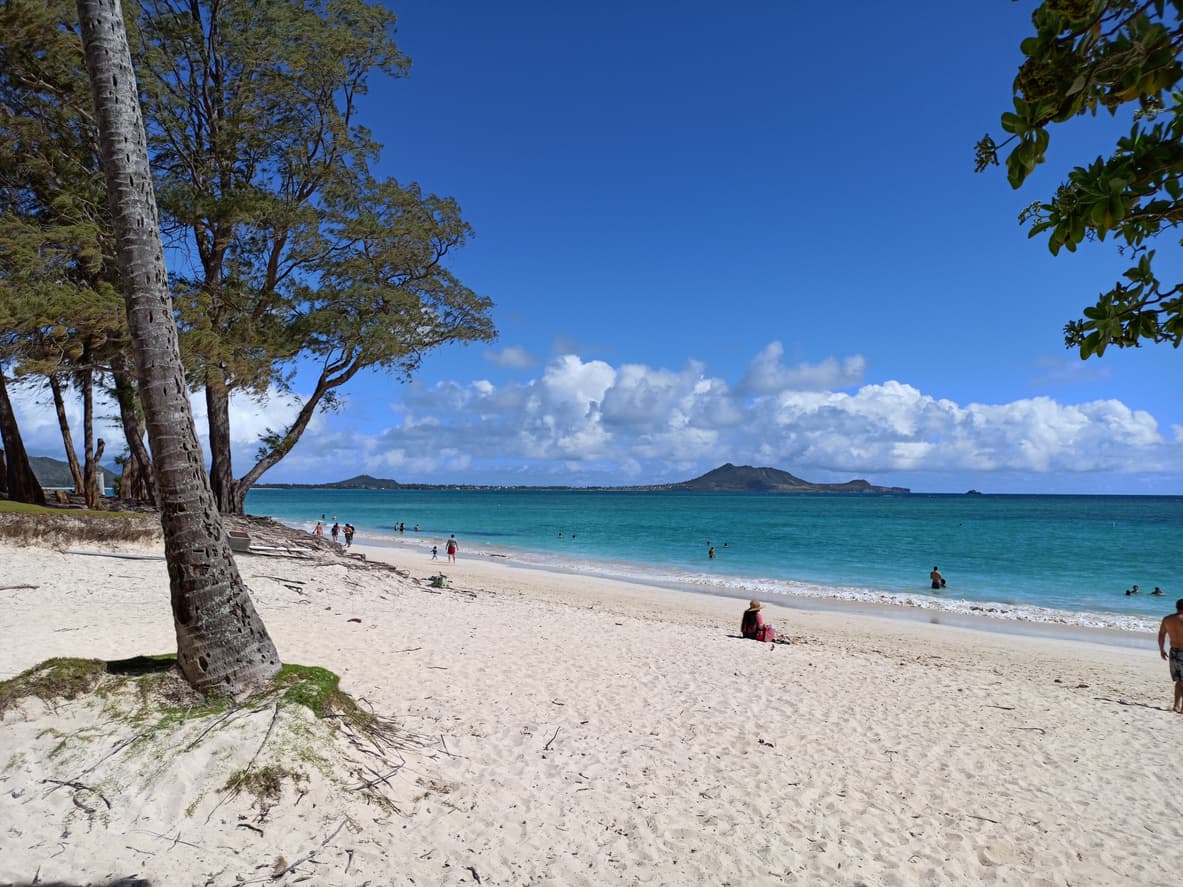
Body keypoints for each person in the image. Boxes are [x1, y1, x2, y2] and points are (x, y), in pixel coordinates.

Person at [1156, 598, 1183, 713]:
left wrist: (1162, 649)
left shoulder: (1167, 619)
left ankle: (1176, 706)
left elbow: (1161, 634)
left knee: (1179, 680)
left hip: (1173, 651)